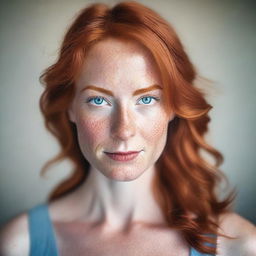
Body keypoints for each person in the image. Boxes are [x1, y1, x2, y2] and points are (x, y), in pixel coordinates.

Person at [0, 1, 255, 255]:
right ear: (70, 107)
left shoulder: (238, 244)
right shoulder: (18, 244)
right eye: (98, 100)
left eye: (146, 99)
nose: (123, 130)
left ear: (172, 108)